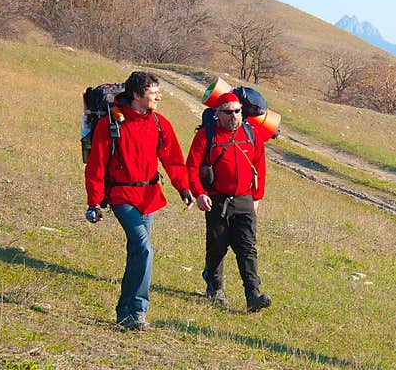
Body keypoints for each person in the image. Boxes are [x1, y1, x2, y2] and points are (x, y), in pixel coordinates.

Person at [84, 70, 193, 331]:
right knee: (144, 249)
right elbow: (97, 165)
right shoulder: (111, 124)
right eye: (154, 93)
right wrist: (94, 202)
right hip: (122, 196)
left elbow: (174, 160)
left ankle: (126, 312)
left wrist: (184, 189)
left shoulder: (159, 123)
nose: (159, 97)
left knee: (138, 252)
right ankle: (138, 311)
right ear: (136, 95)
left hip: (149, 197)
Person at [186, 92, 271, 313]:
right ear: (218, 114)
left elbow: (259, 167)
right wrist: (199, 194)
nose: (234, 116)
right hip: (216, 200)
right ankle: (215, 289)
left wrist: (257, 197)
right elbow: (192, 168)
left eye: (237, 111)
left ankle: (253, 294)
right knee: (217, 247)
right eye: (228, 112)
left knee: (247, 248)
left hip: (244, 200)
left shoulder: (252, 134)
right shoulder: (206, 136)